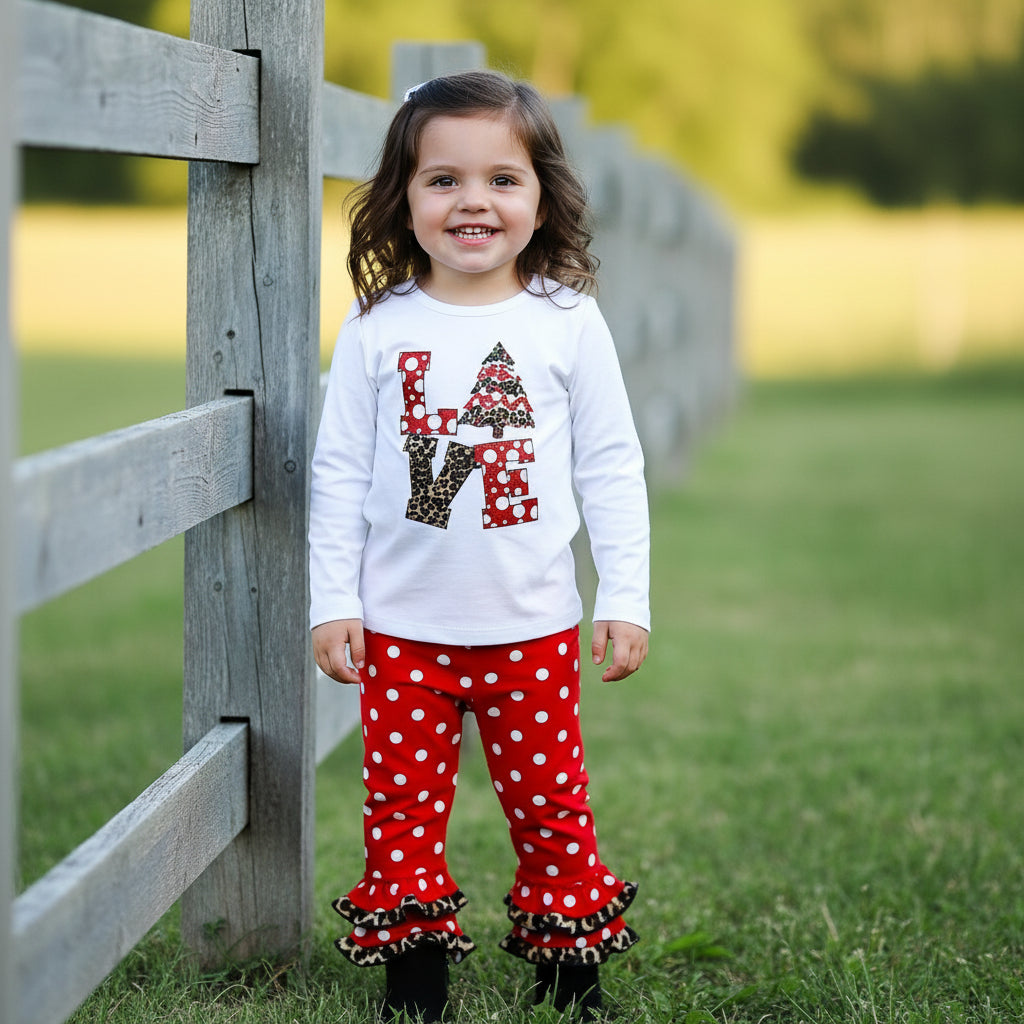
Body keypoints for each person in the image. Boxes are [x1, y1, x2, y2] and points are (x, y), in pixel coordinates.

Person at [309, 69, 650, 1023]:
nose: (473, 202)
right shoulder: (379, 328)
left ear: (542, 198)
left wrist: (626, 596)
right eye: (442, 179)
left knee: (549, 807)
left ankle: (569, 974)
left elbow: (612, 468)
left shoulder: (566, 324)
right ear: (403, 198)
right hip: (402, 635)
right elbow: (337, 475)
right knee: (402, 813)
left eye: (503, 179)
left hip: (531, 628)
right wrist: (332, 599)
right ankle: (415, 988)